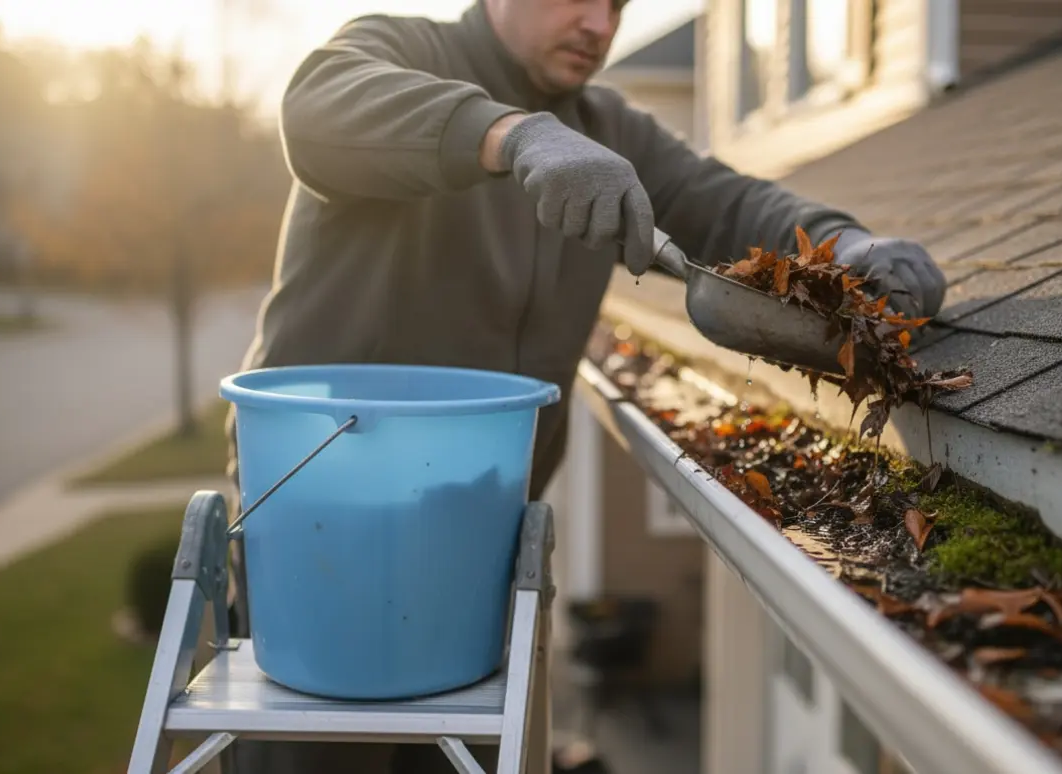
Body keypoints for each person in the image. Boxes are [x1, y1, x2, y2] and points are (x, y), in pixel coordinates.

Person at [223, 0, 945, 771]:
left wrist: (847, 247)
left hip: (474, 550)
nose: (600, 26)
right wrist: (516, 136)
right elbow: (317, 109)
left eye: (617, 5)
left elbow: (726, 204)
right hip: (323, 526)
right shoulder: (402, 50)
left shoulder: (607, 130)